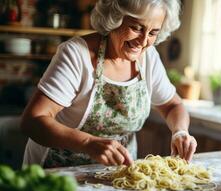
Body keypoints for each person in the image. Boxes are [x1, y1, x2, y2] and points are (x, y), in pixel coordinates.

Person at [21, 0, 197, 168]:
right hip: (59, 170)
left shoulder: (149, 58)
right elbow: (32, 121)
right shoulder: (76, 54)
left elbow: (173, 105)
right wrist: (88, 143)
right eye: (136, 28)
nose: (143, 42)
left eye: (152, 33)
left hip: (119, 174)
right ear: (115, 18)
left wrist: (180, 132)